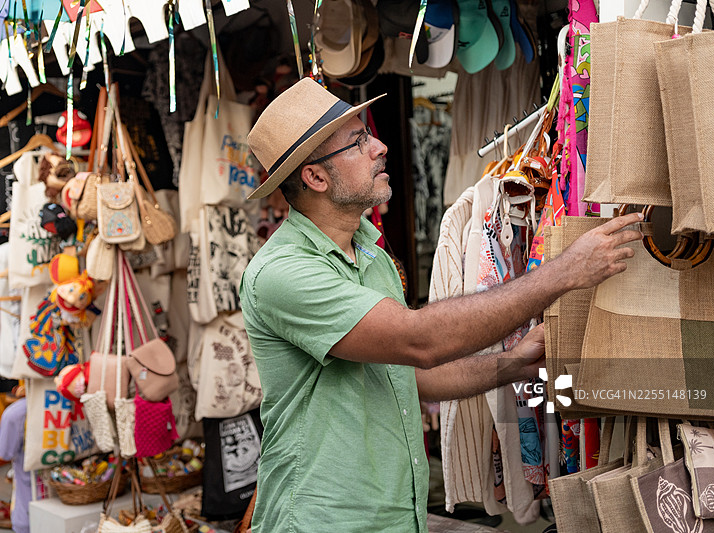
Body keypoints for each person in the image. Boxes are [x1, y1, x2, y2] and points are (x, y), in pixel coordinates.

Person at [239, 78, 643, 533]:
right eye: (359, 141)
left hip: (393, 516)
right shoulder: (284, 273)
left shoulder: (370, 254)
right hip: (323, 520)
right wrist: (564, 272)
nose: (380, 147)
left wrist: (514, 365)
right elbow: (418, 342)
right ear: (315, 177)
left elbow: (409, 376)